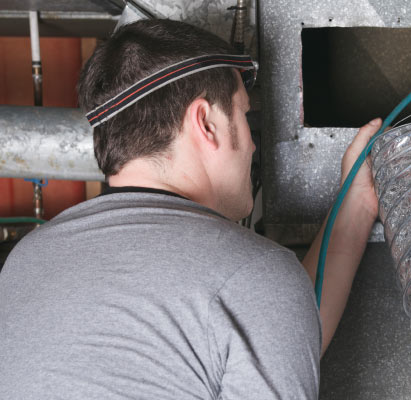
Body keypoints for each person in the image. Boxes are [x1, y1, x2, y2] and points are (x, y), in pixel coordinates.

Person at [0, 19, 381, 399]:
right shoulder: (251, 277)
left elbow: (273, 337)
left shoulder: (25, 263)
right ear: (206, 123)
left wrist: (358, 202)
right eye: (243, 114)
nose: (251, 146)